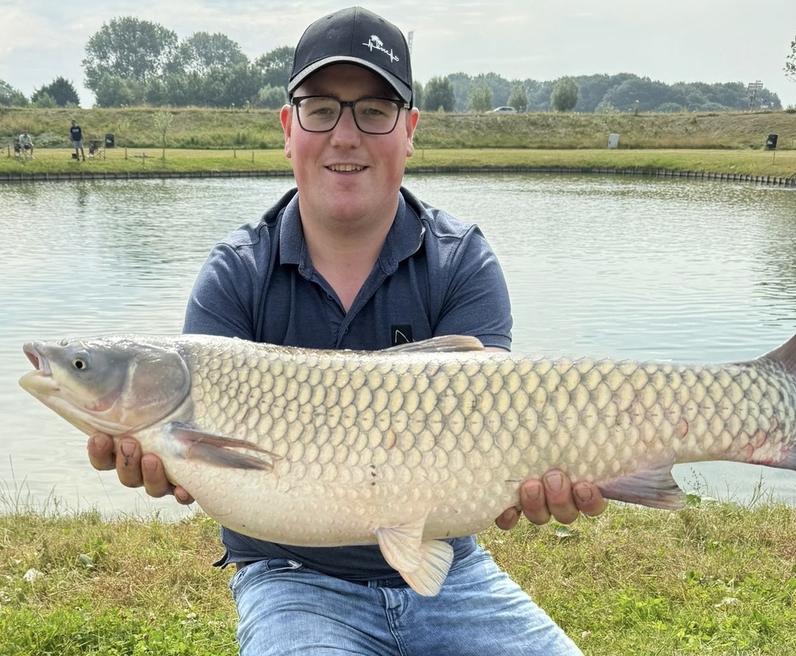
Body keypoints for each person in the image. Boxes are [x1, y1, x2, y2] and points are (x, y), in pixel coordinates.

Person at [87, 7, 606, 655]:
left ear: (409, 129)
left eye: (374, 109)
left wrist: (539, 475)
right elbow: (204, 471)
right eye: (321, 108)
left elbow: (491, 439)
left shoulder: (462, 260)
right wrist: (169, 461)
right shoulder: (235, 273)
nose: (345, 135)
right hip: (290, 575)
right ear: (287, 128)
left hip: (448, 564)